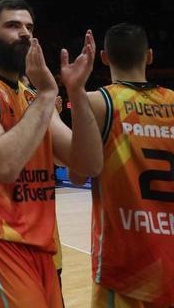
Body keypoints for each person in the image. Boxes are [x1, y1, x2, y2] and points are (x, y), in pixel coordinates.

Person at [0, 0, 103, 307]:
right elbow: (4, 165)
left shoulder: (31, 95)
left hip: (40, 242)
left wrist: (77, 92)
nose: (25, 34)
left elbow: (88, 165)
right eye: (13, 26)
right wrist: (46, 95)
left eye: (29, 27)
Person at [73, 23, 174, 307]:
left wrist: (72, 92)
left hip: (126, 264)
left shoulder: (99, 102)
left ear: (104, 58)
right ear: (150, 56)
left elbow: (78, 174)